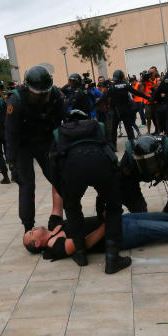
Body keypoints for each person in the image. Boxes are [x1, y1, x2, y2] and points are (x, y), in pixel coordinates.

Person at [23, 197, 168, 259]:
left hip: (120, 220)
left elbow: (57, 198)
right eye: (31, 233)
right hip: (121, 233)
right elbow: (84, 244)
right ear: (37, 243)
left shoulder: (53, 227)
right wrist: (105, 222)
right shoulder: (54, 246)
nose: (33, 228)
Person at [50, 109, 130, 273]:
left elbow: (53, 164)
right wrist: (114, 185)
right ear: (86, 119)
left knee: (72, 209)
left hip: (72, 168)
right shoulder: (97, 126)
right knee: (114, 208)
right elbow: (109, 151)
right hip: (100, 164)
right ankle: (112, 259)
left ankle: (80, 254)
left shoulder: (59, 133)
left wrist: (63, 191)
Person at [5, 66, 66, 231]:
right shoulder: (16, 101)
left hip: (44, 141)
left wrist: (61, 148)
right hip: (23, 146)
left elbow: (62, 123)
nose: (42, 98)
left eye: (45, 93)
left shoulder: (55, 95)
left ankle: (71, 215)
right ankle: (28, 227)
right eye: (38, 94)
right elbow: (11, 135)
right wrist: (12, 163)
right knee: (26, 184)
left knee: (59, 178)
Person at [118, 134, 168, 222]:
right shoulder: (128, 160)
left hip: (163, 170)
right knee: (140, 214)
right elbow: (118, 185)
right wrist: (115, 212)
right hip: (137, 175)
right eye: (144, 162)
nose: (149, 166)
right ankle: (139, 208)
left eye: (151, 162)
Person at [100, 69, 149, 146]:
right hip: (126, 110)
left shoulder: (112, 87)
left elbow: (104, 97)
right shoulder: (126, 85)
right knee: (129, 128)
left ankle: (114, 145)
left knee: (114, 129)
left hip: (116, 110)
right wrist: (147, 97)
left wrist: (96, 105)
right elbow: (136, 92)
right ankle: (132, 144)